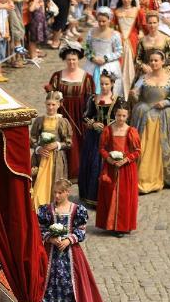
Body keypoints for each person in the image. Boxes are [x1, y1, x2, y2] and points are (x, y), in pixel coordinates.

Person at [37, 180, 107, 302]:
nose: (56, 195)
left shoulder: (77, 210)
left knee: (70, 281)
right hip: (51, 253)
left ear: (67, 192)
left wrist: (69, 240)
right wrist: (51, 238)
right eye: (55, 192)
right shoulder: (47, 210)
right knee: (51, 282)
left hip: (71, 254)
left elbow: (81, 230)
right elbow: (40, 228)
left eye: (60, 193)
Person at [130, 48, 170, 194]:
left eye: (156, 60)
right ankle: (146, 177)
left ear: (162, 62)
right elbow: (137, 93)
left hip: (166, 115)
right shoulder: (143, 78)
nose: (153, 63)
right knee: (145, 146)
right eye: (151, 60)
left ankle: (168, 176)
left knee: (166, 146)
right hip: (146, 113)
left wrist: (166, 102)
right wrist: (134, 94)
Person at [44, 46, 95, 180]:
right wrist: (54, 94)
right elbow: (51, 96)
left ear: (78, 60)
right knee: (62, 138)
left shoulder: (87, 77)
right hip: (62, 114)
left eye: (74, 59)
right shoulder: (57, 75)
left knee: (79, 141)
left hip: (79, 114)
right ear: (65, 60)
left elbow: (90, 99)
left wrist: (87, 116)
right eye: (69, 60)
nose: (71, 62)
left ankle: (79, 172)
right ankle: (60, 171)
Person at [78, 71, 124, 207]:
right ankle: (92, 196)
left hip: (111, 137)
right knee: (92, 164)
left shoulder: (118, 100)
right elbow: (85, 116)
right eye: (102, 84)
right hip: (94, 138)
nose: (104, 86)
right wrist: (93, 124)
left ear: (112, 84)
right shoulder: (93, 99)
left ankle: (110, 197)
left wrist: (109, 126)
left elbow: (122, 117)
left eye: (107, 84)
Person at [95, 105, 140, 236]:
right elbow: (102, 148)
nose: (121, 118)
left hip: (126, 169)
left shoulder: (131, 131)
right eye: (118, 115)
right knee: (110, 194)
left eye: (123, 116)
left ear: (128, 116)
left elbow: (137, 151)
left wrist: (126, 160)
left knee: (125, 196)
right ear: (115, 115)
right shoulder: (108, 130)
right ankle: (110, 224)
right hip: (111, 167)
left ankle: (123, 225)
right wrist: (109, 159)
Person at [30, 92, 72, 210]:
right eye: (48, 104)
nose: (50, 107)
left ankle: (54, 210)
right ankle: (39, 209)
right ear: (45, 104)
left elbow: (68, 142)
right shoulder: (40, 120)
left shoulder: (62, 122)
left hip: (56, 159)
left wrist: (57, 144)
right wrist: (38, 149)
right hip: (41, 158)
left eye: (53, 104)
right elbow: (32, 138)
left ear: (59, 105)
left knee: (55, 184)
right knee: (38, 186)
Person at [113, 0, 145, 100]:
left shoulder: (138, 11)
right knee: (120, 66)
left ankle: (133, 92)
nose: (126, 0)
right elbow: (113, 27)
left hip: (133, 40)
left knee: (133, 66)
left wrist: (141, 33)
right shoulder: (116, 12)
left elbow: (142, 26)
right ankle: (121, 93)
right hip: (120, 41)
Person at [83, 7, 123, 95]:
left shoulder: (115, 34)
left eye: (104, 21)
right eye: (99, 21)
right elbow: (86, 49)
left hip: (109, 65)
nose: (101, 23)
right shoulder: (91, 32)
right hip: (92, 65)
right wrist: (92, 58)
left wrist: (105, 58)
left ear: (109, 20)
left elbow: (119, 51)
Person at [135, 11, 170, 75]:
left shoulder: (166, 39)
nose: (152, 25)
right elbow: (137, 59)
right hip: (147, 71)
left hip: (164, 69)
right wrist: (144, 66)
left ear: (158, 23)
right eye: (150, 23)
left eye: (154, 23)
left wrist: (161, 64)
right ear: (146, 24)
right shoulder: (142, 41)